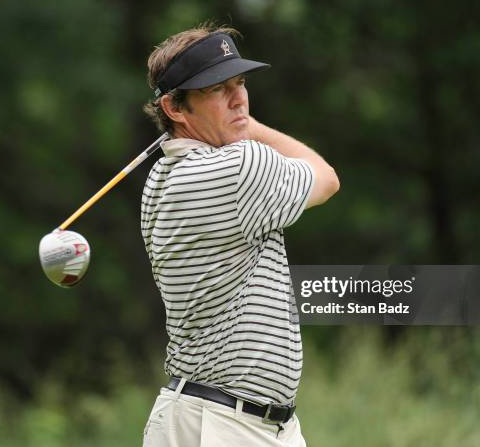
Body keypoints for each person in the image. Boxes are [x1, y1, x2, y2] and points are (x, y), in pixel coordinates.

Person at [140, 23, 339, 446]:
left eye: (240, 82)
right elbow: (327, 179)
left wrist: (233, 120)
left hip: (251, 422)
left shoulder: (160, 178)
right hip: (218, 424)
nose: (239, 98)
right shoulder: (237, 168)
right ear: (175, 108)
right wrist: (246, 127)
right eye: (216, 89)